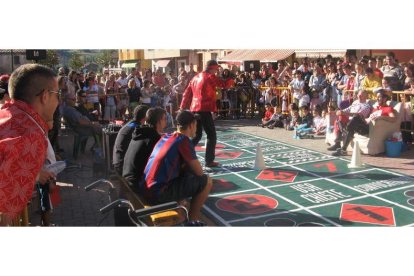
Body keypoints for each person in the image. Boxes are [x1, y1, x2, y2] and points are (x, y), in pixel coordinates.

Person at [0, 64, 58, 225]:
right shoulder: (31, 136)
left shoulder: (7, 114)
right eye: (57, 95)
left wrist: (35, 175)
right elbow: (4, 214)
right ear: (45, 96)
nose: (58, 101)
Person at [140, 110, 212, 221]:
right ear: (192, 125)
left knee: (185, 173)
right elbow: (199, 173)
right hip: (158, 193)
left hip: (146, 188)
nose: (196, 128)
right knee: (206, 181)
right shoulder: (183, 140)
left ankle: (180, 208)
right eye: (196, 125)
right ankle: (192, 221)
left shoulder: (166, 136)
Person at [180, 59, 224, 167]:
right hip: (204, 109)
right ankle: (209, 161)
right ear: (212, 68)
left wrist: (182, 107)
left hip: (194, 109)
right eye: (216, 69)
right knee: (211, 135)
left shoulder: (195, 77)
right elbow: (224, 84)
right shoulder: (210, 77)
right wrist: (232, 79)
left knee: (197, 136)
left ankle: (181, 155)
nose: (216, 72)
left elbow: (186, 93)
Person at [332, 89, 396, 156]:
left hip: (369, 128)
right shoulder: (375, 108)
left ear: (385, 98)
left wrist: (381, 117)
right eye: (377, 97)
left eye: (379, 97)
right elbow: (368, 118)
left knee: (357, 115)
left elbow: (394, 119)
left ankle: (345, 130)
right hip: (364, 124)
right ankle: (343, 150)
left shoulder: (388, 109)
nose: (377, 99)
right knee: (351, 126)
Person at [123, 107, 166, 189]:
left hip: (127, 178)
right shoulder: (154, 139)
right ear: (158, 121)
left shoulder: (141, 132)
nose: (166, 122)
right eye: (164, 119)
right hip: (137, 184)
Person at [112, 105, 149, 176]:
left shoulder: (130, 124)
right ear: (145, 117)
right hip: (123, 166)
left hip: (118, 162)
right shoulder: (136, 129)